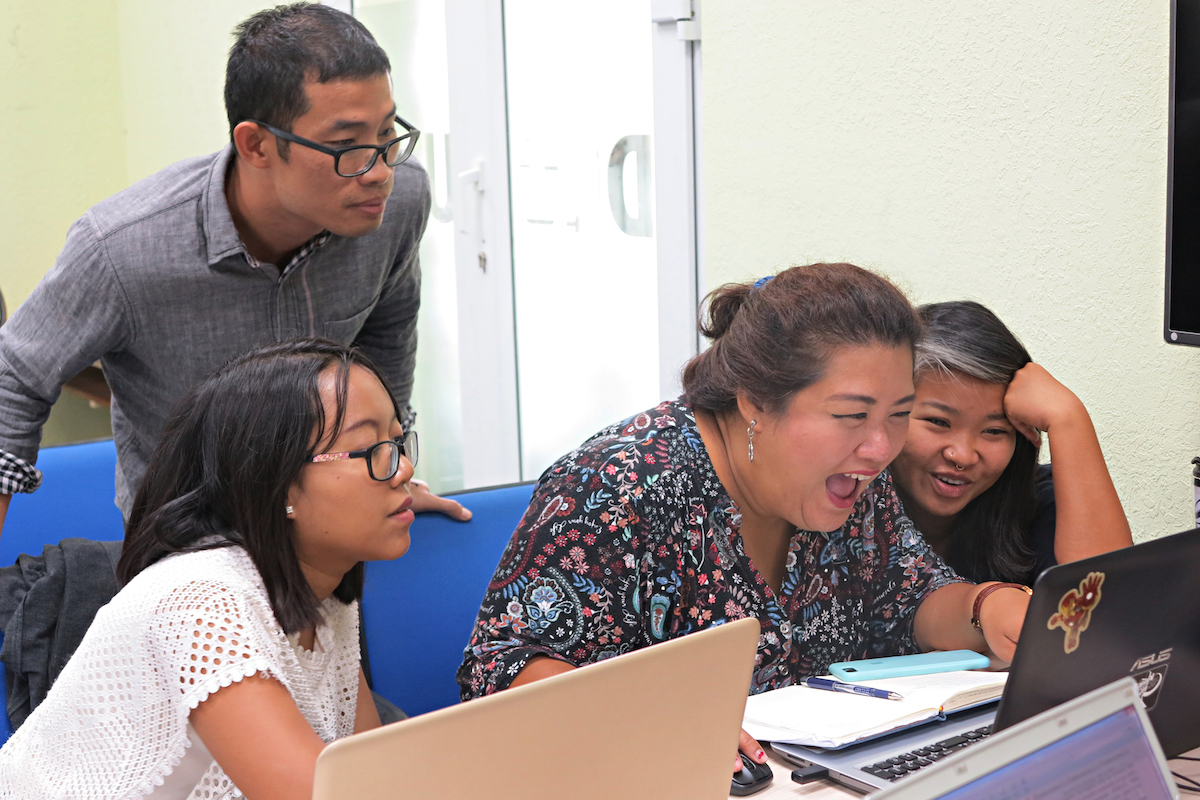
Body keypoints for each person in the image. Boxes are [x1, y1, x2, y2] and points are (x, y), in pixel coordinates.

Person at [457, 263, 1032, 774]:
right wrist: (653, 720)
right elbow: (503, 672)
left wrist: (986, 606)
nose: (881, 446)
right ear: (755, 400)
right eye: (852, 414)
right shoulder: (621, 483)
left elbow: (912, 596)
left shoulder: (853, 478)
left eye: (900, 414)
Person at [0, 2, 468, 536]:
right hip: (191, 544)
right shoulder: (122, 249)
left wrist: (388, 473)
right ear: (257, 145)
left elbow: (388, 331)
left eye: (387, 132)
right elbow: (13, 378)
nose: (378, 170)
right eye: (345, 145)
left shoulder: (399, 199)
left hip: (330, 527)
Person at [0, 339, 416, 798]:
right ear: (277, 484)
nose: (403, 467)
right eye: (369, 448)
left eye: (396, 441)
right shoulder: (202, 605)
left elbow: (374, 776)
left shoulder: (325, 595)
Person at [889, 301, 1132, 585]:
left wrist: (1068, 418)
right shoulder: (849, 503)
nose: (963, 456)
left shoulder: (1039, 502)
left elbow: (1109, 595)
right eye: (939, 422)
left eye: (994, 431)